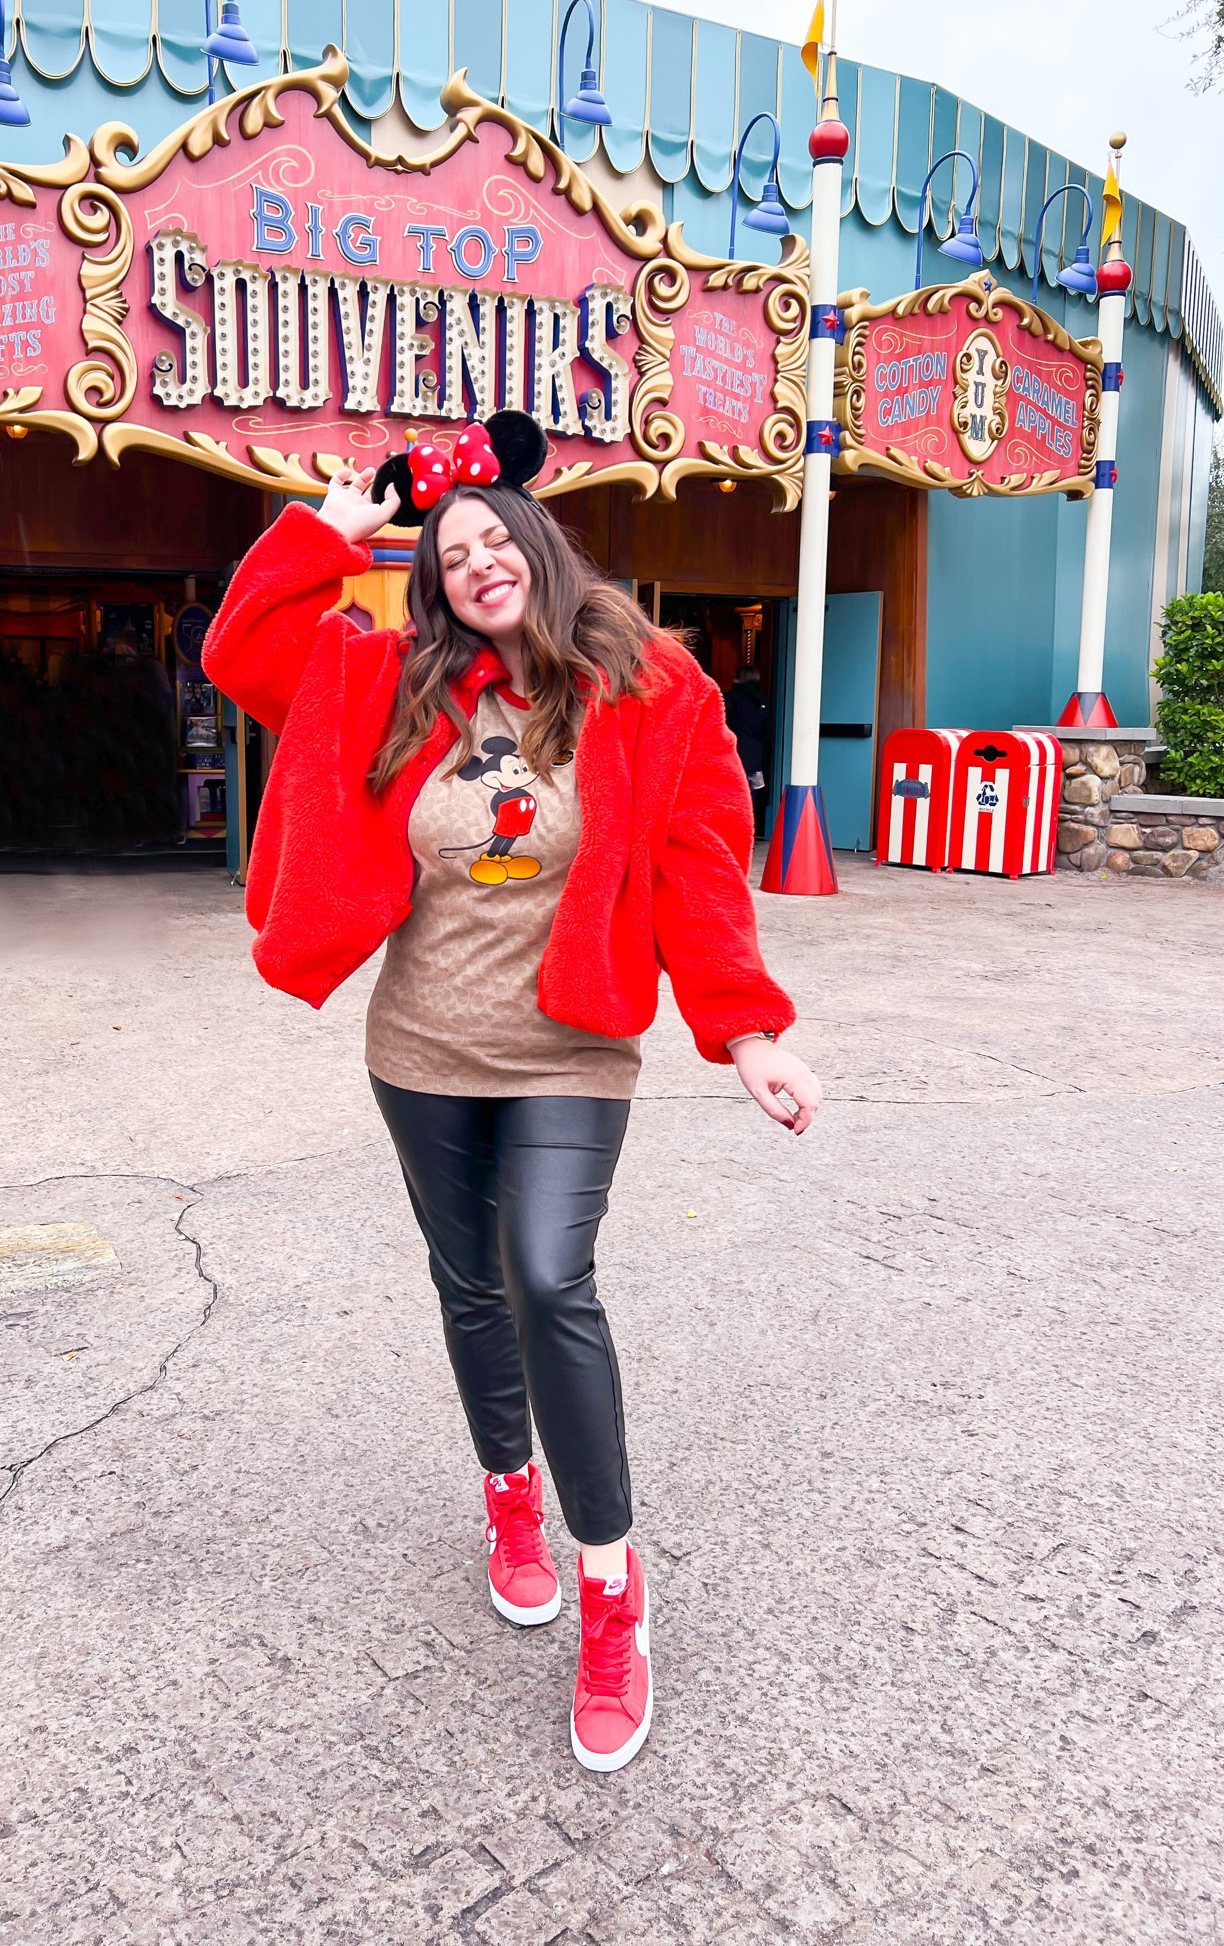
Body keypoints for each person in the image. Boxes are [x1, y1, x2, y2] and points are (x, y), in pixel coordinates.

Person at [203, 412, 821, 1774]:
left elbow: (703, 863)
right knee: (468, 1284)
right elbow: (239, 651)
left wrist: (746, 1029)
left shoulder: (657, 690)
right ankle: (508, 1502)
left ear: (540, 548)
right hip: (420, 1046)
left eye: (495, 536)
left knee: (548, 1274)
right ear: (431, 586)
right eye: (449, 551)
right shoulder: (388, 685)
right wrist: (330, 537)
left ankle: (614, 1593)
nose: (476, 558)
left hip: (571, 1043)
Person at [722, 662, 770, 826]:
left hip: (737, 749)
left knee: (734, 787)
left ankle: (735, 824)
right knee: (755, 787)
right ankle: (750, 824)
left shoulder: (735, 696)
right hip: (756, 751)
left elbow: (722, 714)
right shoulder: (762, 698)